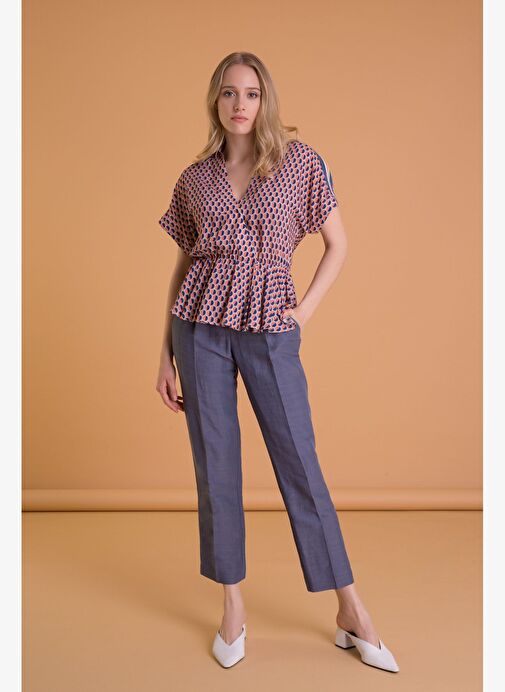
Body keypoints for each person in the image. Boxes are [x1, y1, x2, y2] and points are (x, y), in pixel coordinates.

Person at [156, 52, 399, 673]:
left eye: (252, 93)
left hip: (270, 324)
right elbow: (183, 265)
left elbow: (338, 244)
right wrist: (164, 353)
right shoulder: (195, 178)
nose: (240, 104)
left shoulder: (299, 163)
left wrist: (304, 311)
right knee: (215, 467)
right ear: (215, 100)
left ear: (266, 101)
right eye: (229, 92)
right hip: (199, 328)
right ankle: (233, 607)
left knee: (299, 461)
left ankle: (350, 608)